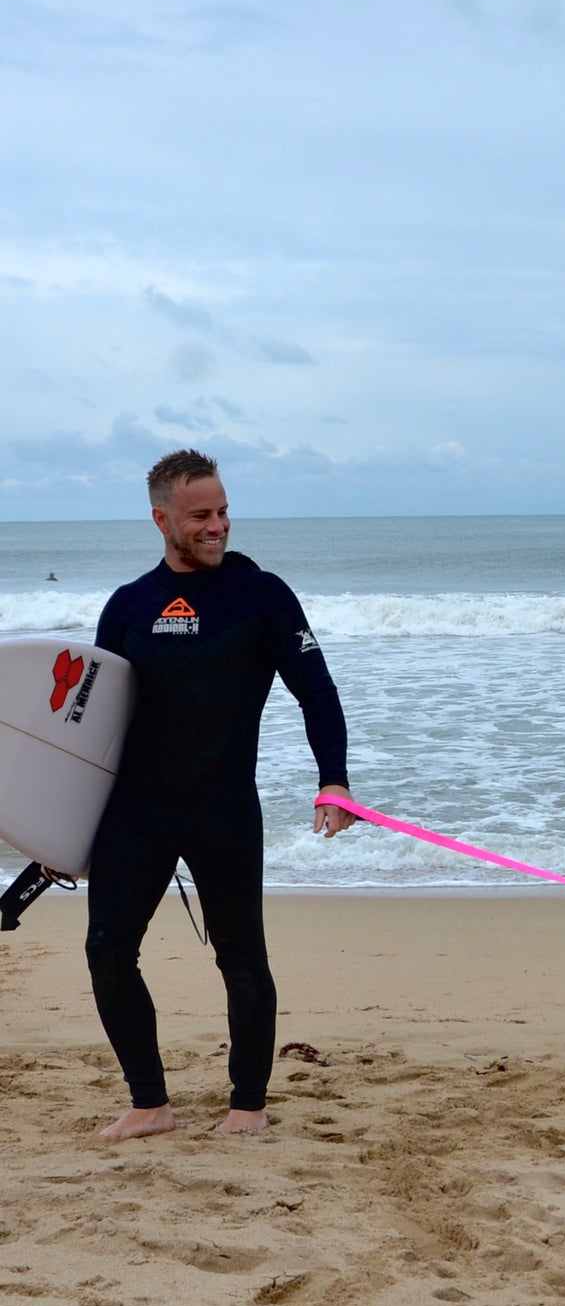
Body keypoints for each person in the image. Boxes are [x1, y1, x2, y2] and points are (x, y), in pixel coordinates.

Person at [85, 450, 356, 1139]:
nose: (218, 526)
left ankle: (247, 1105)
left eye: (224, 511)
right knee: (108, 950)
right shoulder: (129, 607)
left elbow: (316, 691)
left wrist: (333, 780)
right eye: (201, 515)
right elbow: (90, 727)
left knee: (240, 957)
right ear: (162, 519)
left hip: (222, 805)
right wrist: (65, 826)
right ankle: (150, 1103)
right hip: (135, 808)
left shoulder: (260, 595)